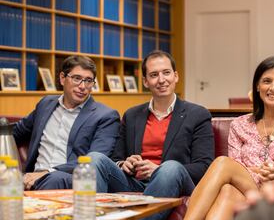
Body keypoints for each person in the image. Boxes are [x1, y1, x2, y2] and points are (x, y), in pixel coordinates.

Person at [184, 56, 274, 220]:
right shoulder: (239, 125)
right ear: (257, 86)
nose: (273, 88)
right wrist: (257, 172)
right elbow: (235, 168)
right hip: (249, 190)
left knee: (223, 167)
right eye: (267, 81)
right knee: (227, 188)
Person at [88, 50, 214, 220]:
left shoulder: (198, 114)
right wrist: (124, 163)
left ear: (176, 76)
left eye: (166, 73)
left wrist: (158, 170)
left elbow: (204, 166)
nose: (161, 80)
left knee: (170, 167)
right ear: (146, 81)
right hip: (135, 181)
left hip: (173, 181)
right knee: (94, 158)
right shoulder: (132, 115)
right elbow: (116, 157)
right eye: (154, 75)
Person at [13, 55, 120, 190]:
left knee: (53, 179)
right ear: (62, 78)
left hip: (72, 179)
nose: (82, 86)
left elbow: (95, 162)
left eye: (88, 81)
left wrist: (48, 172)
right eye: (77, 79)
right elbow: (15, 132)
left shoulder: (106, 116)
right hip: (32, 175)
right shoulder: (45, 104)